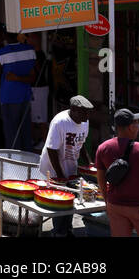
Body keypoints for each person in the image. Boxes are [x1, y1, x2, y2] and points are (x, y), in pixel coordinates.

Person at [94, 108, 139, 237]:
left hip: (115, 205)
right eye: (137, 123)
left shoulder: (103, 148)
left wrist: (107, 200)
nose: (138, 126)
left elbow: (100, 178)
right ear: (130, 127)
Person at [39, 95, 93, 235]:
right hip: (53, 167)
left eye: (88, 112)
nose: (87, 115)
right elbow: (52, 149)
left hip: (70, 166)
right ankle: (58, 232)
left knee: (70, 200)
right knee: (60, 200)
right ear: (73, 110)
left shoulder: (84, 122)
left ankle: (67, 229)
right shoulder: (60, 122)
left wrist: (89, 162)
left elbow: (81, 143)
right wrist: (61, 175)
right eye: (84, 112)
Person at [0, 30, 37, 152]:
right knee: (25, 128)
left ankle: (14, 160)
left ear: (5, 37)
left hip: (9, 96)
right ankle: (27, 156)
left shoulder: (2, 53)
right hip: (25, 95)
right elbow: (33, 76)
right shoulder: (30, 50)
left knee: (11, 130)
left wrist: (14, 78)